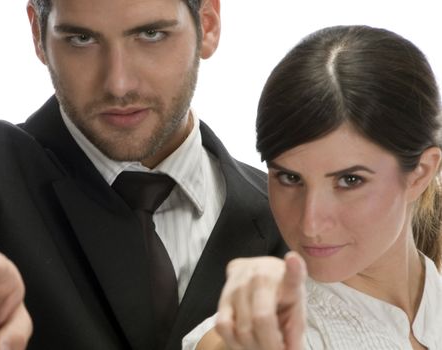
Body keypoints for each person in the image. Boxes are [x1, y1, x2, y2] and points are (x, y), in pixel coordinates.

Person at [0, 0, 287, 349]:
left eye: (151, 34)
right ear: (37, 35)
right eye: (82, 39)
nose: (119, 84)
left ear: (207, 24)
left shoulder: (292, 217)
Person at [183, 25, 442, 350]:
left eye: (350, 180)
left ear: (420, 173)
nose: (310, 223)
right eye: (290, 178)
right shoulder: (272, 334)